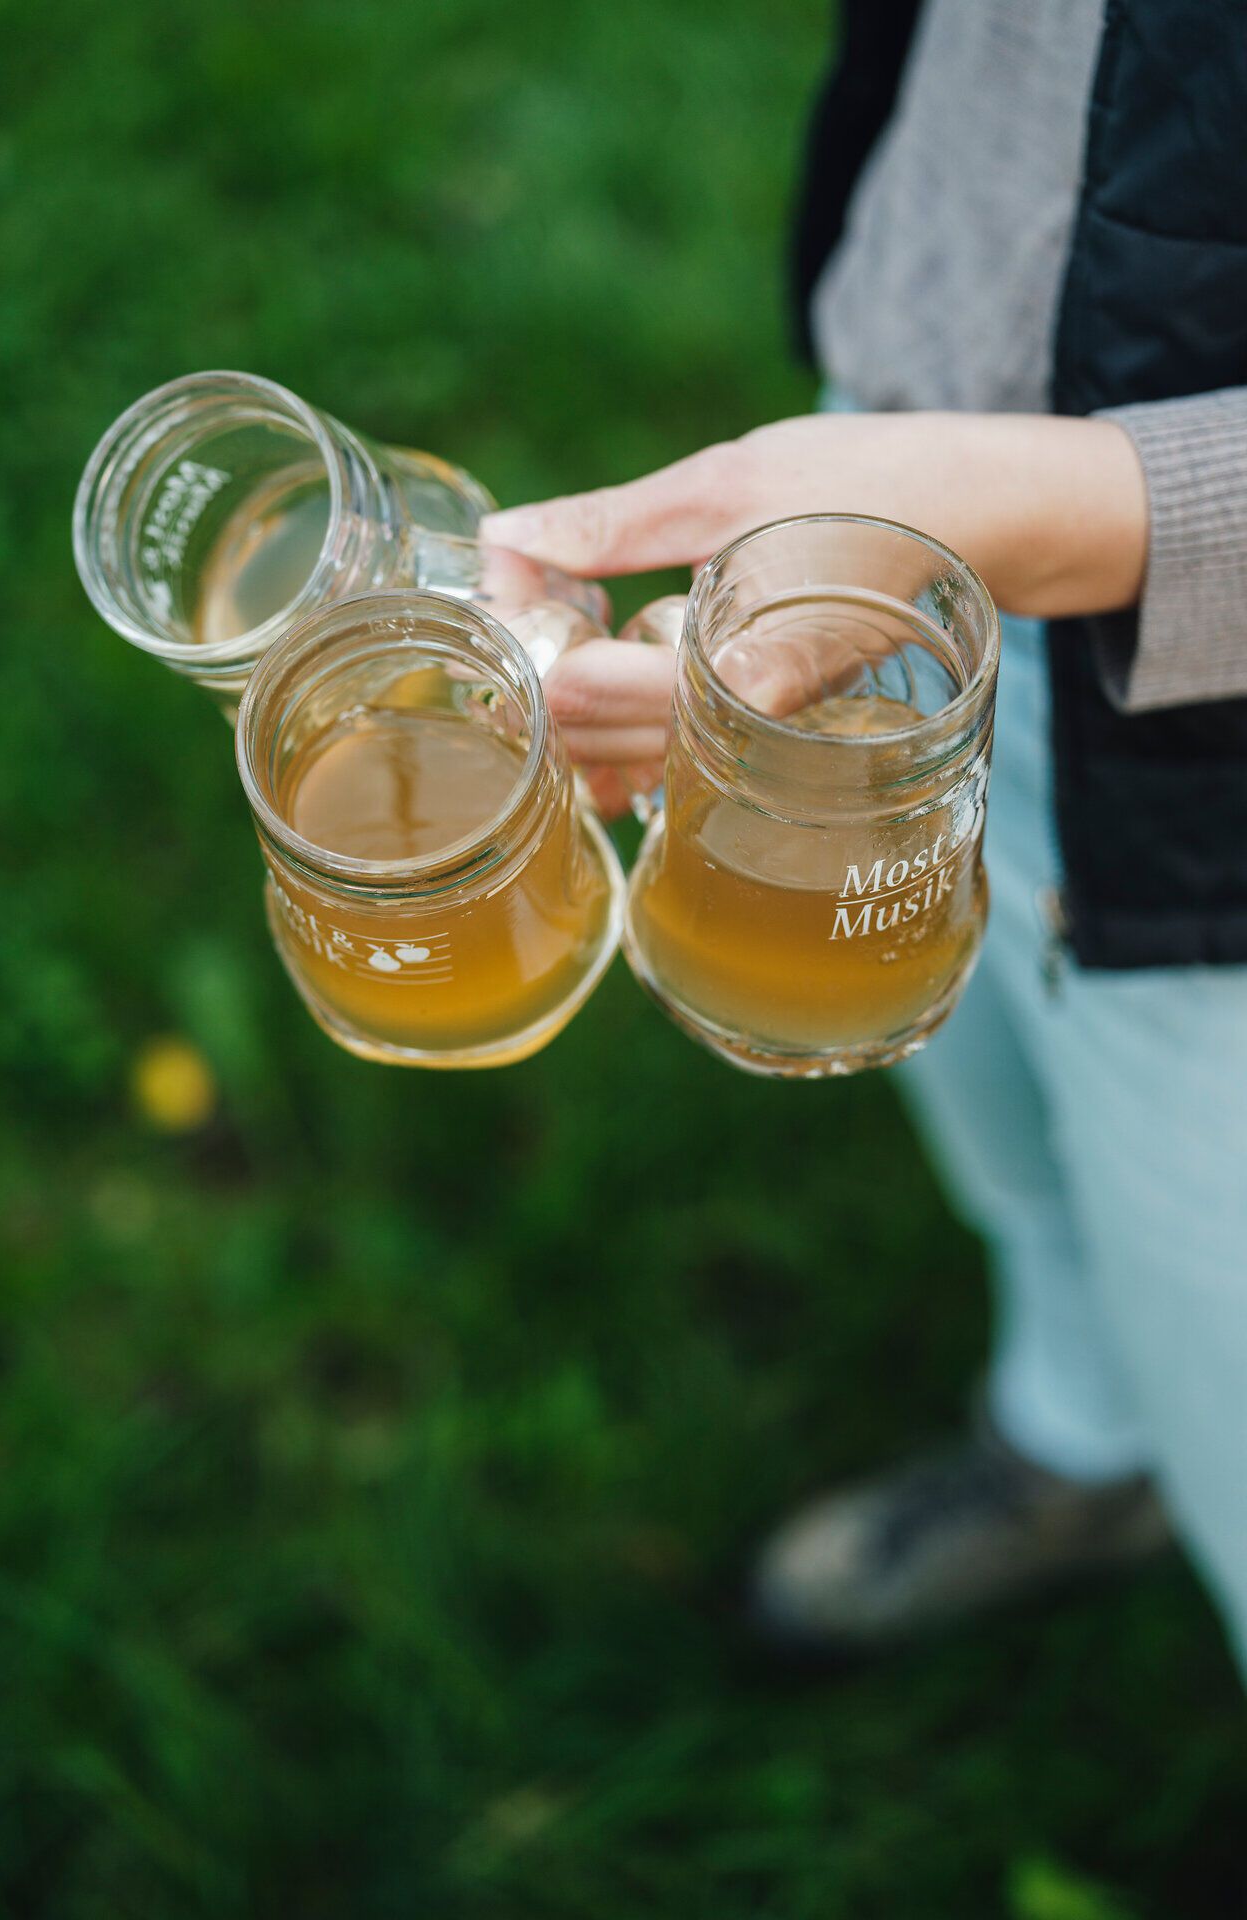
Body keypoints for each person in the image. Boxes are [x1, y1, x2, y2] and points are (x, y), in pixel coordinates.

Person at [480, 0, 1247, 1668]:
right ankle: (1074, 1443)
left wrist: (1050, 511)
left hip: (1211, 735)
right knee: (1009, 1132)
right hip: (902, 459)